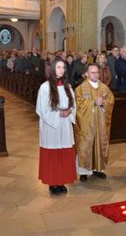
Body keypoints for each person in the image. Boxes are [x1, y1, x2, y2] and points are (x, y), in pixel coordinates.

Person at [36, 59, 77, 195]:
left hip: (65, 124)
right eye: (58, 67)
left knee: (64, 153)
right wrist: (59, 113)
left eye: (63, 67)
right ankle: (53, 182)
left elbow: (73, 104)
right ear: (53, 69)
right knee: (53, 154)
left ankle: (62, 181)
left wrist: (69, 111)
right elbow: (41, 109)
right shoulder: (45, 87)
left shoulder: (68, 87)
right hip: (51, 126)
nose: (61, 70)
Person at [75, 64, 115, 182]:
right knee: (86, 145)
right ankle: (84, 171)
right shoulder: (80, 89)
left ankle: (99, 169)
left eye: (97, 72)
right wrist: (93, 103)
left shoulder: (104, 88)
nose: (95, 74)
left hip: (101, 124)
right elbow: (79, 104)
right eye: (92, 72)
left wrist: (103, 103)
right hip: (87, 125)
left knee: (101, 143)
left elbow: (111, 100)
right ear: (86, 74)